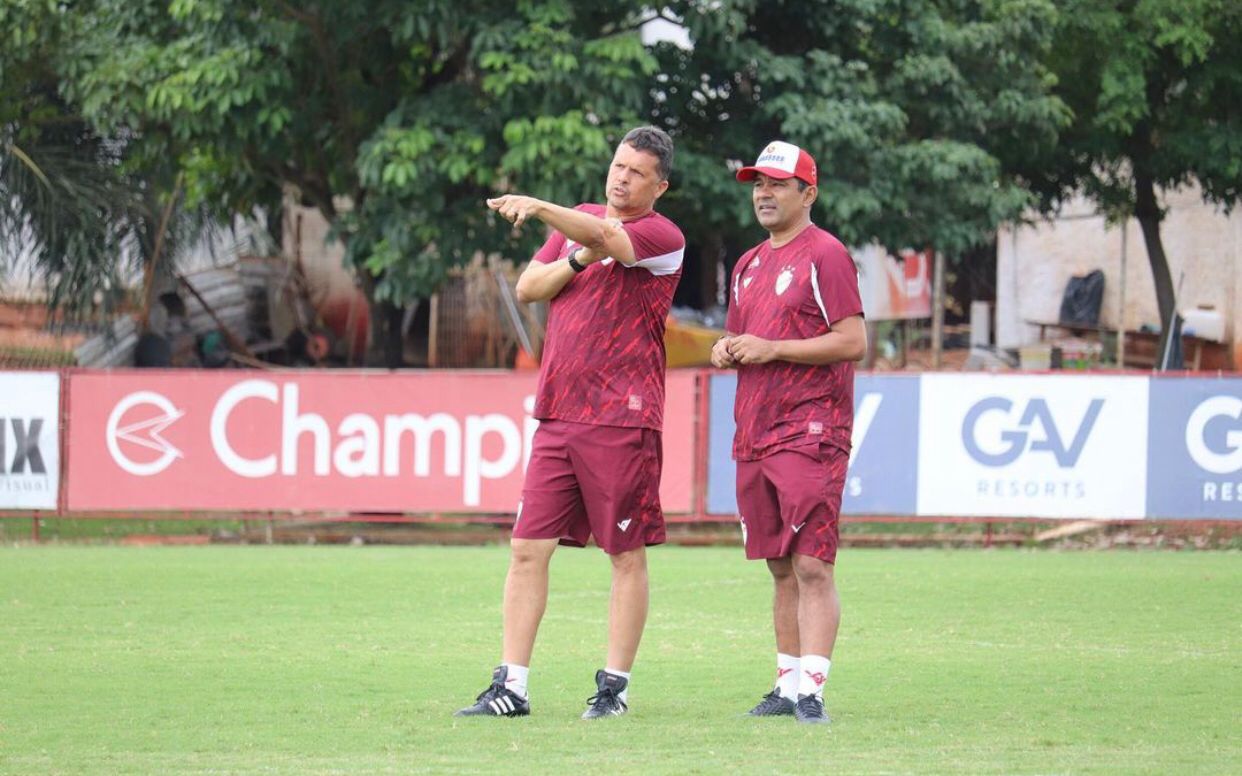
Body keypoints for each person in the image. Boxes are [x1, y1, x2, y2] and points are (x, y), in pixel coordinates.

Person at [455, 126, 684, 720]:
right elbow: (531, 286)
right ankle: (512, 686)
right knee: (526, 549)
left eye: (636, 172)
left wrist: (540, 209)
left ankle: (614, 689)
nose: (621, 177)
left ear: (659, 185)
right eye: (618, 165)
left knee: (625, 554)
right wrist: (578, 254)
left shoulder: (662, 234)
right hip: (558, 411)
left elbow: (614, 237)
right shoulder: (580, 224)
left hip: (621, 417)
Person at [711, 140, 866, 724]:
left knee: (811, 564)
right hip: (754, 430)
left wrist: (773, 348)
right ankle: (785, 684)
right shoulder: (748, 263)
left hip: (811, 428)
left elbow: (853, 341)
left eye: (777, 184)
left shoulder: (826, 254)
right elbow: (741, 338)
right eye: (758, 183)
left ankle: (813, 693)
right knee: (778, 564)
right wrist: (726, 350)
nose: (764, 193)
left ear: (809, 193)